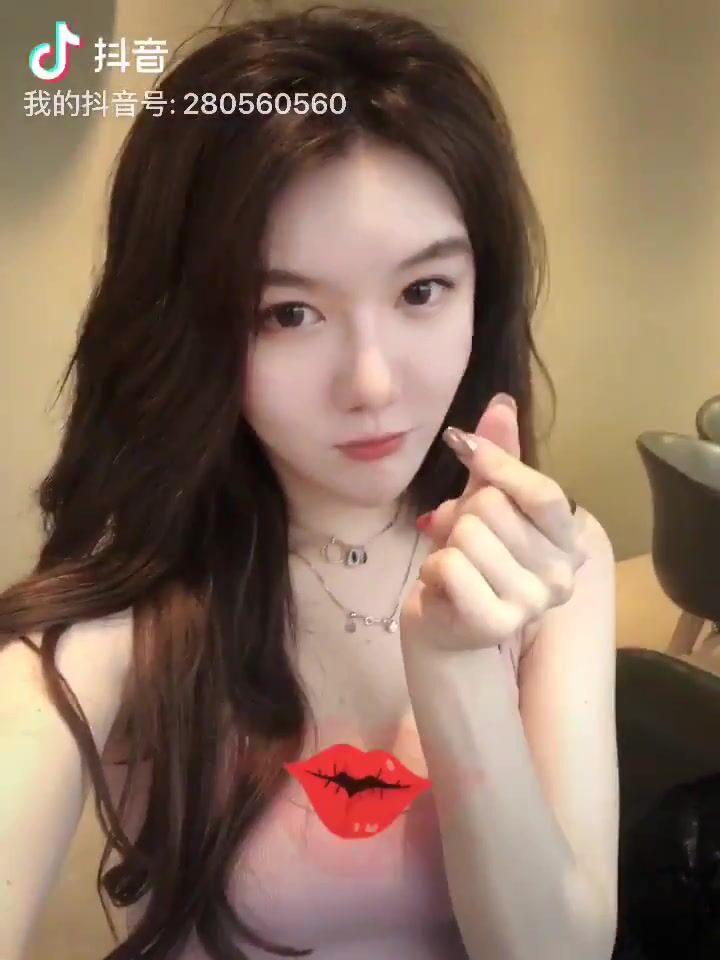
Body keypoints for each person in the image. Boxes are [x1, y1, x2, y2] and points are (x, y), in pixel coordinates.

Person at [0, 4, 619, 959]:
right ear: (192, 329)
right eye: (287, 313)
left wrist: (458, 667)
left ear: (480, 291)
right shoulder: (126, 618)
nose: (372, 383)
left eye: (421, 291)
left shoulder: (557, 561)